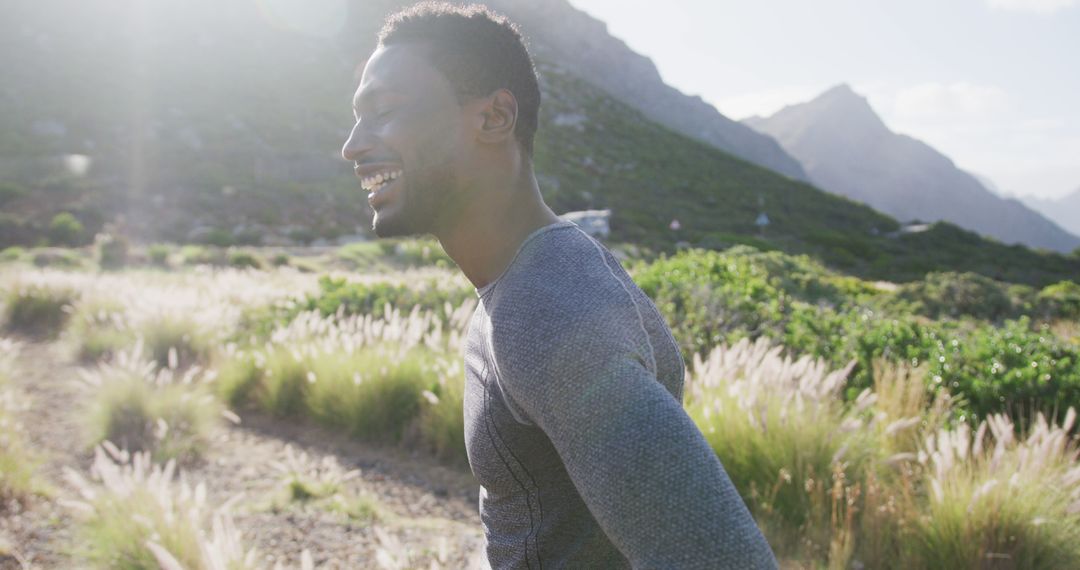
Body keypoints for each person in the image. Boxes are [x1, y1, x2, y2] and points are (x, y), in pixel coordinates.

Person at [341, 3, 777, 568]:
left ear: (495, 118)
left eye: (384, 110)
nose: (352, 145)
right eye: (356, 116)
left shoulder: (546, 312)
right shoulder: (534, 280)